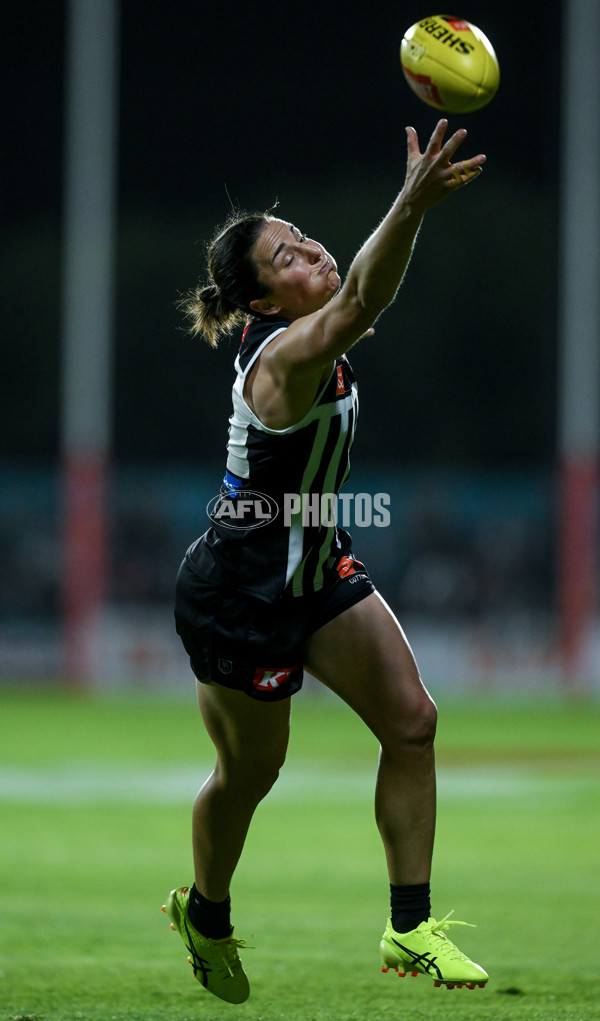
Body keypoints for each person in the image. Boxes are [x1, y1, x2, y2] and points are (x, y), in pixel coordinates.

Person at [162, 119, 489, 1003]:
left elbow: (355, 308)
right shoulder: (284, 356)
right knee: (251, 774)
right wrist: (411, 203)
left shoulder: (320, 336)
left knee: (413, 722)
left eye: (306, 239)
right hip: (241, 592)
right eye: (291, 257)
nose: (314, 253)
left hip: (315, 565)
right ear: (264, 302)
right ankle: (206, 910)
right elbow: (358, 306)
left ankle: (410, 924)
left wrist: (391, 236)